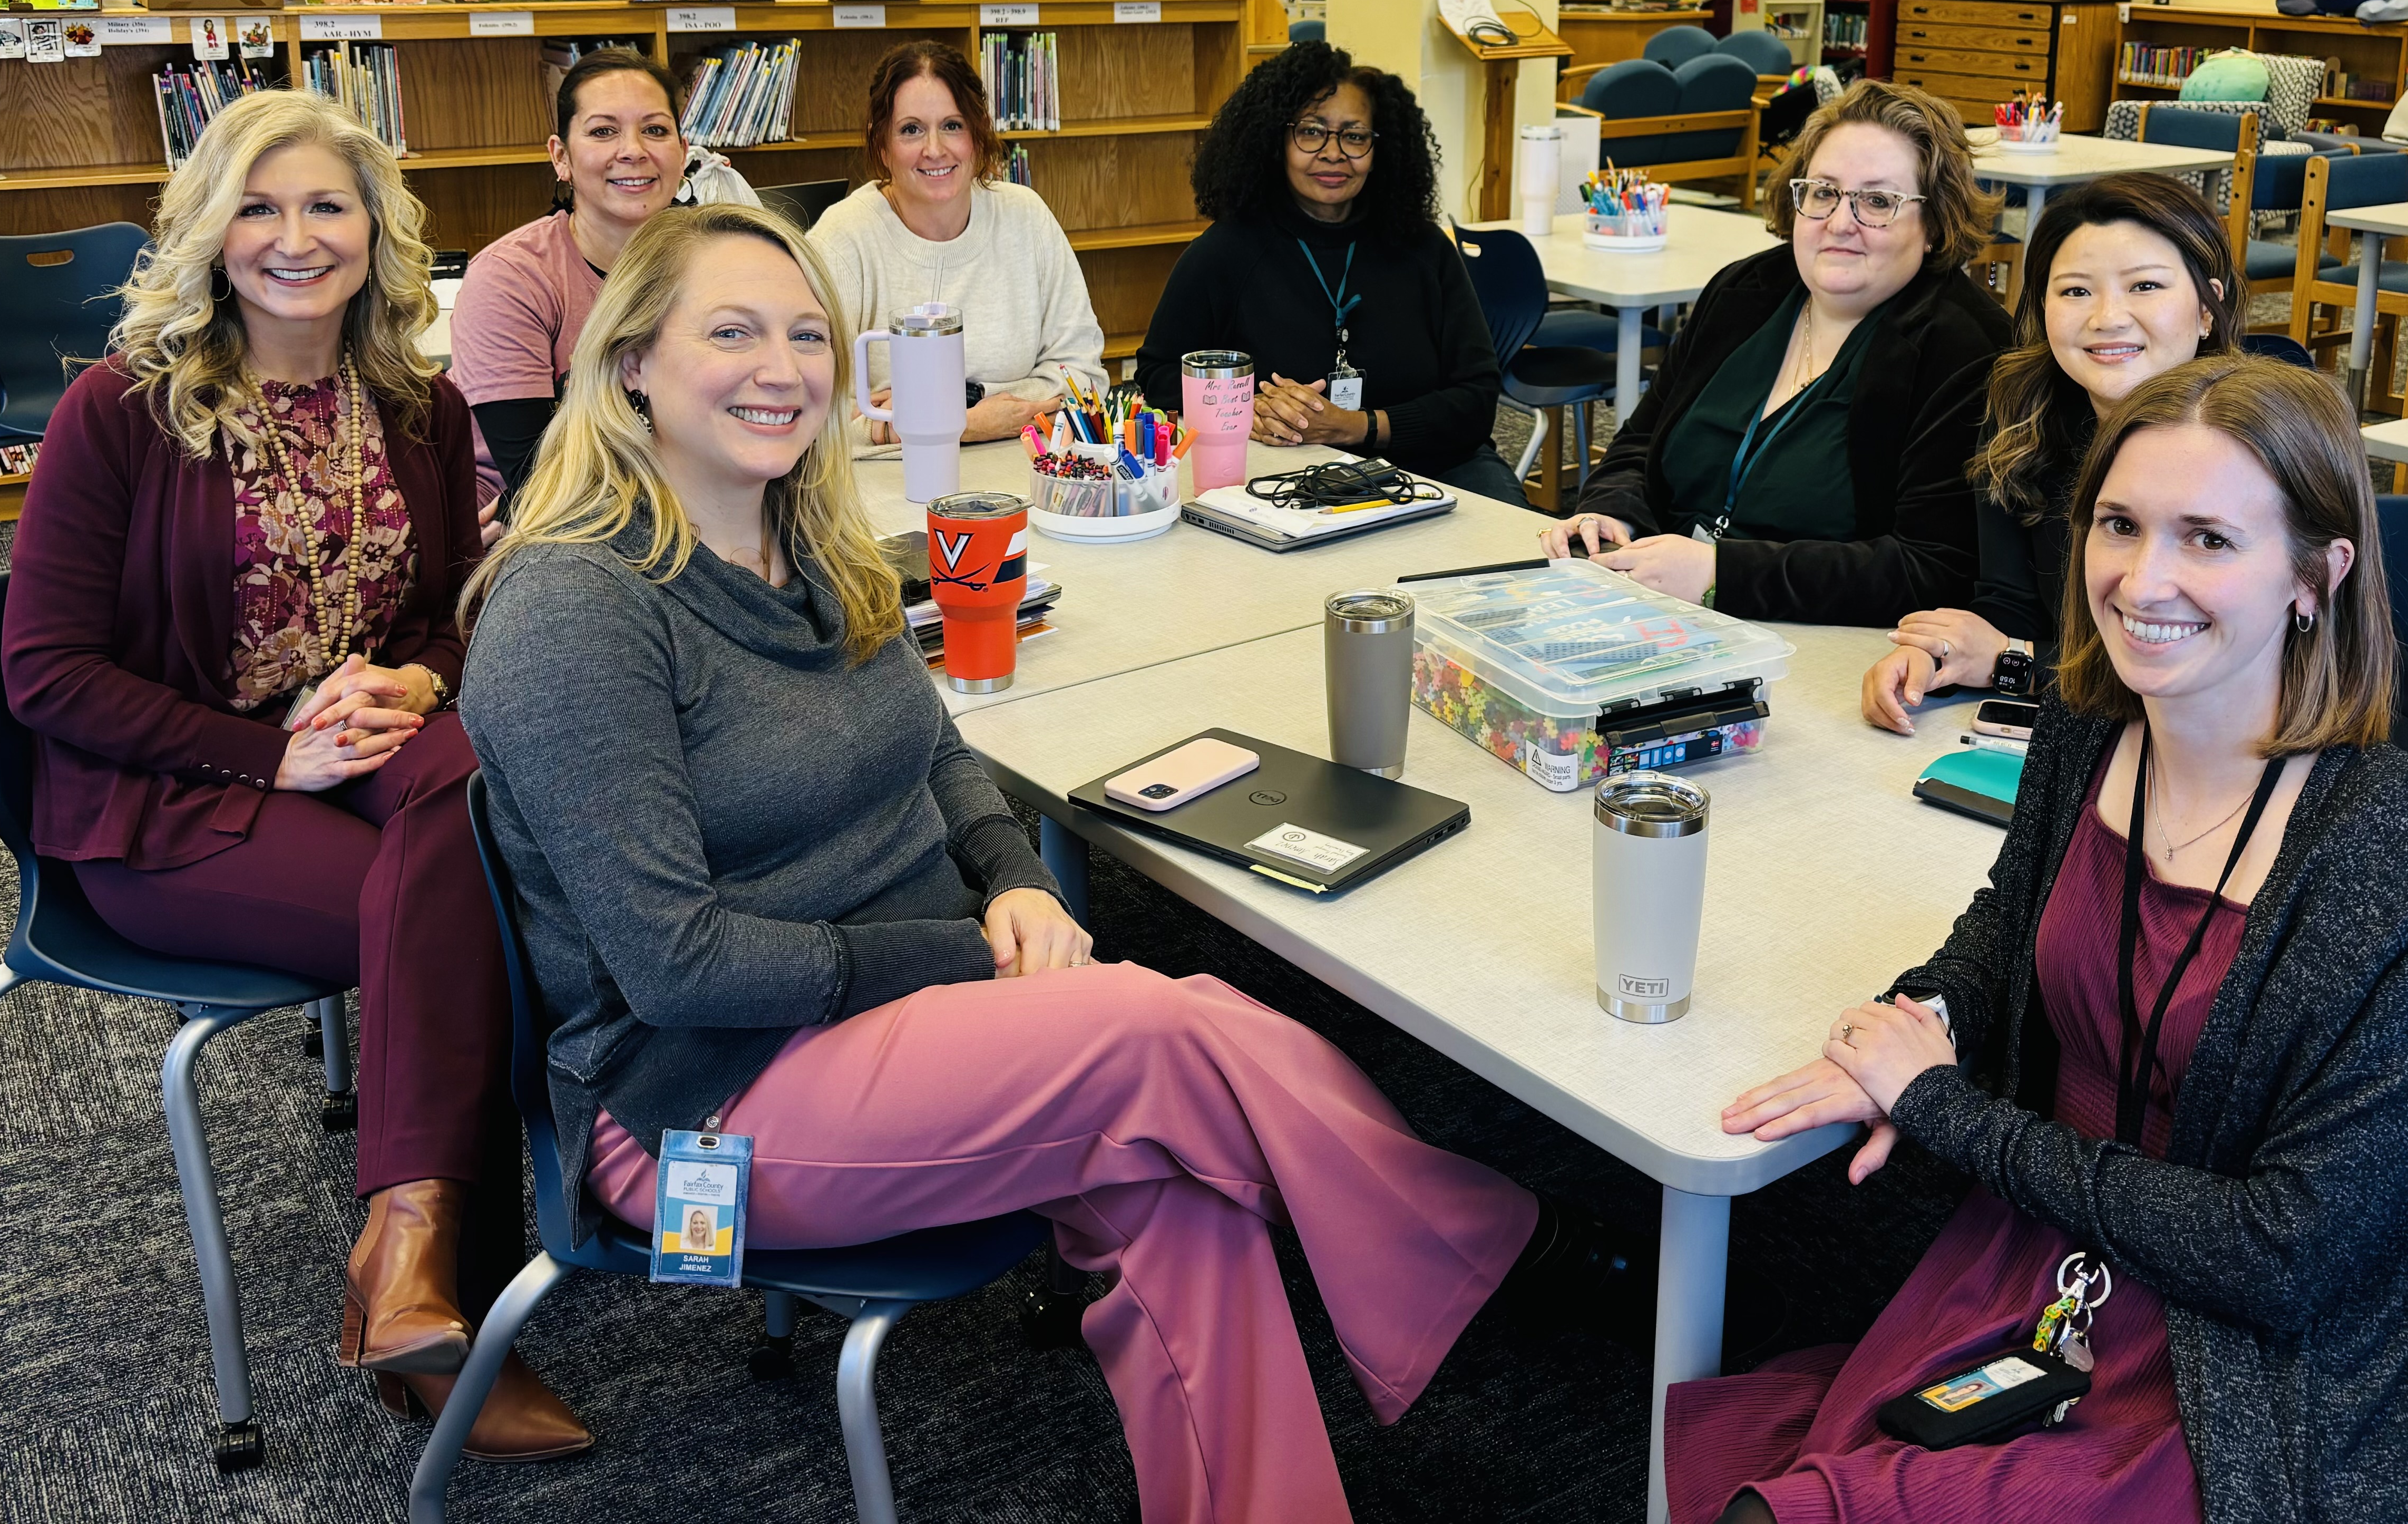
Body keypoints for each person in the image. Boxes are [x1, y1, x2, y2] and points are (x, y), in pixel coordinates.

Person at [459, 201, 1644, 1524]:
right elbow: (676, 968)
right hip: (701, 1100)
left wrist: (1013, 875)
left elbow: (936, 754)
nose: (782, 367)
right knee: (1156, 1024)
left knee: (1180, 1192)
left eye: (806, 332)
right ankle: (1472, 1236)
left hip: (908, 1021)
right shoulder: (576, 606)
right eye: (730, 331)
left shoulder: (808, 535)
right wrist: (973, 947)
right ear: (631, 361)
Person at [1670, 355, 2408, 1524]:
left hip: (2232, 1374)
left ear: (2316, 575)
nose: (2139, 578)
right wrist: (1925, 1019)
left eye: (2207, 538)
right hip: (2040, 1262)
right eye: (2117, 523)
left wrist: (1937, 1106)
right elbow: (2012, 919)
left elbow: (2284, 1258)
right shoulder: (2089, 715)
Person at [0, 91, 588, 1462]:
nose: (293, 236)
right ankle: (446, 1320)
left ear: (375, 229)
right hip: (171, 798)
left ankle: (409, 1269)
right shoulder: (120, 413)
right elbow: (44, 675)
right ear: (208, 230)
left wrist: (422, 678)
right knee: (489, 926)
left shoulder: (417, 405)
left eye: (327, 204)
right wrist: (273, 751)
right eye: (258, 207)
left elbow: (465, 602)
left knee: (474, 810)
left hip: (376, 753)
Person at [1858, 173, 2408, 774]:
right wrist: (1941, 656)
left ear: (2205, 308)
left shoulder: (2269, 439)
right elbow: (2011, 605)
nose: (2106, 317)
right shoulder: (2022, 420)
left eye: (2144, 286)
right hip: (2134, 742)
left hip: (2317, 749)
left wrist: (2012, 661)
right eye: (2073, 292)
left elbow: (2241, 670)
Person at [1541, 80, 2016, 623]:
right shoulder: (1743, 292)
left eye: (1878, 201)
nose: (1840, 223)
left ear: (1934, 223)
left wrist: (1722, 572)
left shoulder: (1966, 349)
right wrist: (1610, 513)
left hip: (1815, 646)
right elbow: (1640, 443)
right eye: (1822, 192)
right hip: (1654, 604)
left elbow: (1931, 568)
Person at [1136, 38, 1524, 506]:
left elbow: (1477, 398)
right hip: (1281, 477)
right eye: (1311, 132)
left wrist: (1361, 425)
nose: (1333, 153)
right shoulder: (1225, 252)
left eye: (1354, 136)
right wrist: (1243, 410)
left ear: (1381, 149)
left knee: (1523, 552)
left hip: (1437, 468)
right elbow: (1159, 373)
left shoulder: (1423, 249)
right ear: (1275, 141)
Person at [807, 39, 1106, 444]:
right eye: (911, 130)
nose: (935, 149)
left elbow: (1083, 377)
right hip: (890, 486)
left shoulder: (1027, 217)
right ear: (881, 143)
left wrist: (918, 415)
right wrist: (974, 422)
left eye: (952, 126)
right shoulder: (842, 238)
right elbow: (811, 407)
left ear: (977, 134)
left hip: (1019, 468)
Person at [450, 46, 698, 522]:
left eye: (655, 130)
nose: (633, 150)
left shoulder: (716, 263)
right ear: (560, 157)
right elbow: (536, 480)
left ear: (683, 153)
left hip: (682, 503)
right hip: (532, 526)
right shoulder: (511, 278)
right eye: (604, 131)